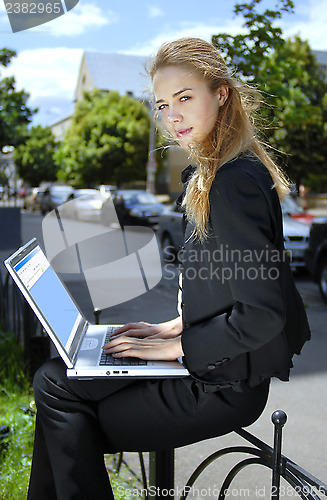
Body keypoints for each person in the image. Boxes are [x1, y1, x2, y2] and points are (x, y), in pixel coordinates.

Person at [27, 37, 310, 500]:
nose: (171, 116)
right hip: (214, 369)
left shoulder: (231, 181)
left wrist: (178, 348)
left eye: (184, 98)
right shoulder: (225, 169)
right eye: (162, 105)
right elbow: (231, 286)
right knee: (55, 381)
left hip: (219, 386)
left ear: (221, 94)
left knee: (59, 394)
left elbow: (262, 312)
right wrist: (167, 329)